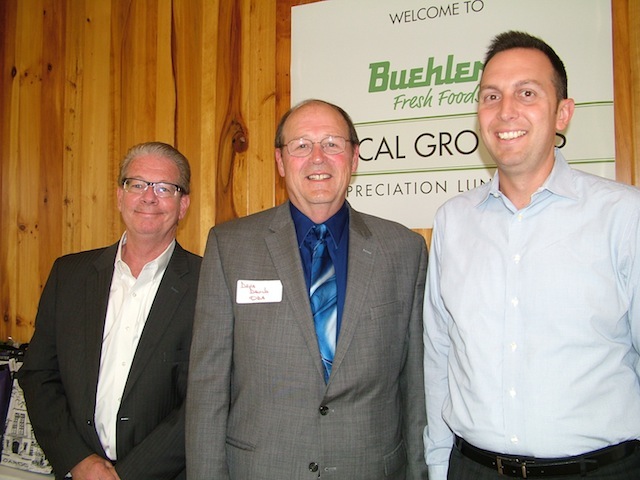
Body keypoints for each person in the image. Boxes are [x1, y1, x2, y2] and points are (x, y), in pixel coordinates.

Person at [423, 30, 640, 480]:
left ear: (563, 112)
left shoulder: (623, 215)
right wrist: (440, 464)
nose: (506, 111)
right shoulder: (452, 221)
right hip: (472, 469)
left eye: (527, 93)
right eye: (491, 96)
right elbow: (440, 353)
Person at [186, 99, 428, 479]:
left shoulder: (403, 250)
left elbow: (415, 390)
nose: (318, 157)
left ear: (354, 157)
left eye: (332, 143)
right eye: (301, 145)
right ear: (281, 162)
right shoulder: (230, 247)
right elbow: (207, 388)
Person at [18, 142, 202, 480]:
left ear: (183, 205)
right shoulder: (69, 275)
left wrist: (129, 475)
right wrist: (78, 460)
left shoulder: (207, 285)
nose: (149, 197)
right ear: (120, 196)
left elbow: (205, 398)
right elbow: (39, 375)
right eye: (137, 184)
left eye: (164, 188)